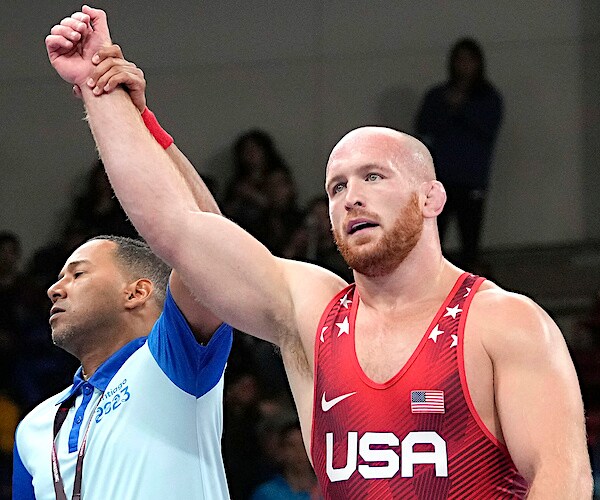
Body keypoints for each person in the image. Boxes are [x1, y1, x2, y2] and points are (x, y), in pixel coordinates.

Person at [46, 7, 592, 498]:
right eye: (335, 187)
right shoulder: (310, 313)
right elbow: (181, 229)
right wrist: (104, 91)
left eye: (373, 176)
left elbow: (563, 480)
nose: (350, 196)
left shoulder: (505, 322)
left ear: (431, 197)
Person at [13, 51, 233, 499]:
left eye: (77, 274)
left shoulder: (174, 362)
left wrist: (138, 122)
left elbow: (213, 246)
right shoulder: (33, 428)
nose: (54, 288)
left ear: (137, 292)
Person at [415, 38, 503, 271]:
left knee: (470, 245)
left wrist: (462, 108)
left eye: (469, 60)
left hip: (471, 180)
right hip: (439, 180)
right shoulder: (437, 96)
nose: (464, 66)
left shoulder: (488, 98)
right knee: (432, 243)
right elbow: (423, 128)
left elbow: (488, 129)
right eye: (459, 60)